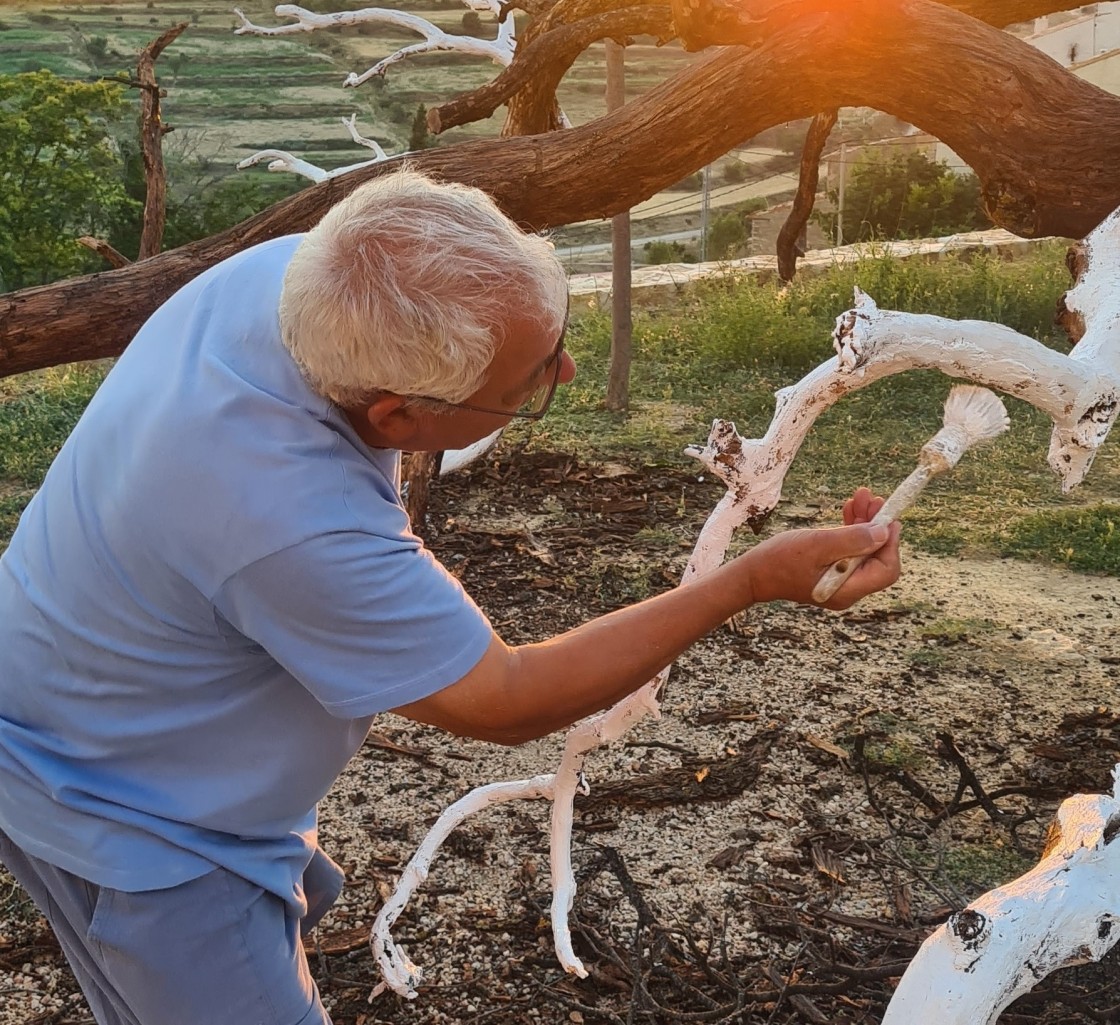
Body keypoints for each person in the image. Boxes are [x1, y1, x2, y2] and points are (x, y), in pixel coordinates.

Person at [0, 169, 901, 1025]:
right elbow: (507, 698)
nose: (567, 377)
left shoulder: (302, 277)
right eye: (531, 384)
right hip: (131, 813)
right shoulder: (286, 514)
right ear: (399, 415)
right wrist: (750, 579)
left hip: (68, 700)